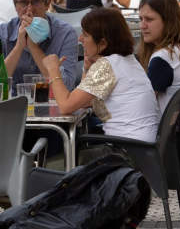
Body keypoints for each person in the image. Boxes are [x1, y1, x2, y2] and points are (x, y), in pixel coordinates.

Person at [32, 8, 158, 143]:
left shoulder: (107, 66)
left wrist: (53, 70)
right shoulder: (127, 60)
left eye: (85, 35)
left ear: (102, 43)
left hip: (127, 148)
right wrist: (86, 70)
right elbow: (83, 102)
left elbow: (66, 106)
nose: (80, 39)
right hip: (142, 146)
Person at [0, 0, 81, 92]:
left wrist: (33, 46)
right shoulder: (0, 34)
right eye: (23, 3)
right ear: (15, 5)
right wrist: (18, 47)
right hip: (12, 106)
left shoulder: (65, 34)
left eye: (36, 2)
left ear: (47, 4)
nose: (29, 10)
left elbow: (67, 86)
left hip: (52, 107)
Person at [136, 0, 180, 114]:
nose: (142, 26)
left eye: (149, 19)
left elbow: (140, 108)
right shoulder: (179, 50)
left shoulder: (162, 61)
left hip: (155, 130)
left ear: (168, 22)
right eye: (141, 19)